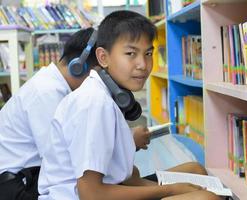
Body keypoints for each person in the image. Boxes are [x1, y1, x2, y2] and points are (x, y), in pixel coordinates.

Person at [38, 10, 220, 200]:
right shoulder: (94, 103)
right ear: (103, 57)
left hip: (112, 187)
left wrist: (178, 188)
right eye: (130, 53)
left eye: (148, 53)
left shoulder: (107, 94)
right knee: (207, 199)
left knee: (195, 170)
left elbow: (128, 175)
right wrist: (170, 191)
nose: (142, 64)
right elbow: (91, 194)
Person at [0, 27, 152, 200]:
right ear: (79, 67)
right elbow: (69, 156)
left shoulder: (58, 87)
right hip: (17, 185)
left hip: (31, 176)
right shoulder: (46, 93)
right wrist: (128, 142)